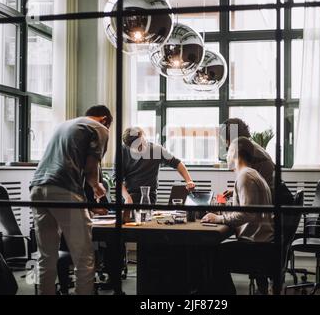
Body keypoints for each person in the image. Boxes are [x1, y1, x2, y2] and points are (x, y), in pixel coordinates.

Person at [30, 105, 112, 295]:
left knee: (46, 256)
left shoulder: (65, 125)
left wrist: (95, 184)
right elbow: (91, 167)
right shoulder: (100, 128)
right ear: (106, 119)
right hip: (64, 190)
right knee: (83, 256)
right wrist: (96, 186)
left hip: (37, 187)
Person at [201, 137, 274, 294]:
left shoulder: (244, 177)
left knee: (211, 254)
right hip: (264, 245)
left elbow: (247, 213)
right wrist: (226, 211)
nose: (226, 155)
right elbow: (249, 210)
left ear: (234, 152)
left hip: (255, 248)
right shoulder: (254, 174)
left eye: (228, 151)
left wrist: (218, 218)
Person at [118, 127, 195, 204]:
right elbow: (117, 179)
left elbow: (177, 163)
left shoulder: (156, 150)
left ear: (144, 136)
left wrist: (189, 181)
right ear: (129, 147)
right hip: (128, 195)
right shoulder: (122, 151)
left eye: (144, 142)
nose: (144, 147)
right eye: (139, 147)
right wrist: (127, 197)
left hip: (149, 196)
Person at [220, 118, 275, 198]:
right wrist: (235, 191)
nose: (227, 146)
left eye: (227, 141)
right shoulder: (250, 149)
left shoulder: (254, 155)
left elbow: (258, 194)